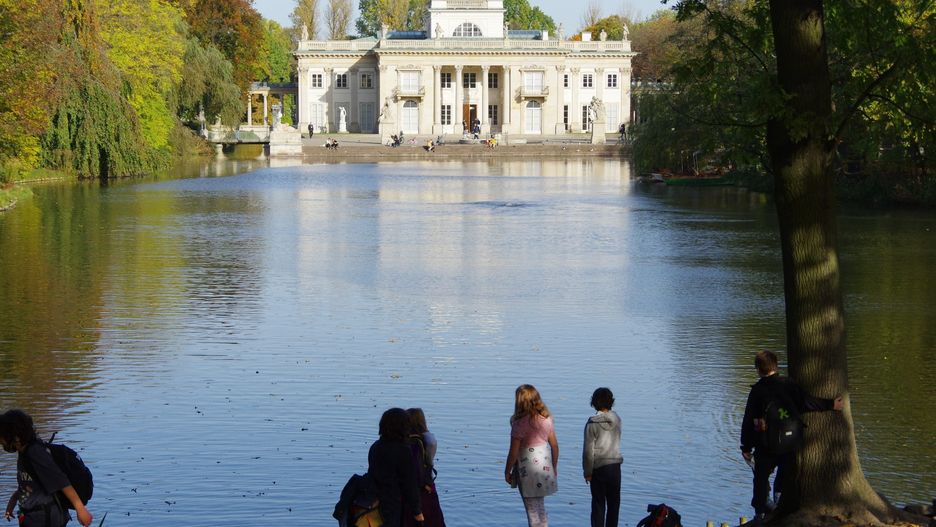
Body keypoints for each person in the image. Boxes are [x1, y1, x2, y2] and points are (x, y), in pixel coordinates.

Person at [740, 351, 844, 519]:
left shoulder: (757, 391)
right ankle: (780, 500)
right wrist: (831, 404)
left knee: (761, 476)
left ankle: (760, 512)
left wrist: (745, 446)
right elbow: (807, 402)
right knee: (784, 473)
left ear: (758, 369)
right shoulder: (789, 385)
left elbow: (748, 420)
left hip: (765, 443)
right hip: (790, 441)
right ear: (776, 366)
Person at [0, 410, 93, 527]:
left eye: (2, 437)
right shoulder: (24, 453)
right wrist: (13, 500)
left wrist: (80, 509)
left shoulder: (35, 453)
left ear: (16, 437)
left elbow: (61, 481)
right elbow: (30, 484)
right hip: (33, 516)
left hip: (46, 518)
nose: (1, 441)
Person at [505, 385, 559, 527]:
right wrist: (554, 466)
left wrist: (507, 470)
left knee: (531, 510)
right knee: (540, 508)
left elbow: (513, 451)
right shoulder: (546, 419)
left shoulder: (519, 424)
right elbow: (554, 445)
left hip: (526, 468)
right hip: (544, 466)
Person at [369, 408, 424, 527]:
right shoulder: (403, 450)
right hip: (391, 502)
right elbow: (409, 482)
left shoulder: (375, 446)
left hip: (373, 499)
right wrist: (417, 510)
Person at [582, 388, 623, 527]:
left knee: (598, 504)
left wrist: (587, 473)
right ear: (611, 402)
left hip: (599, 468)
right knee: (614, 505)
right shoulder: (617, 420)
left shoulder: (592, 424)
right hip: (615, 467)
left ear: (594, 402)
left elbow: (588, 452)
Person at [404, 408, 445, 527]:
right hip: (426, 483)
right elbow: (429, 460)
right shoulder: (428, 439)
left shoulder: (405, 440)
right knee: (432, 518)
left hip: (410, 484)